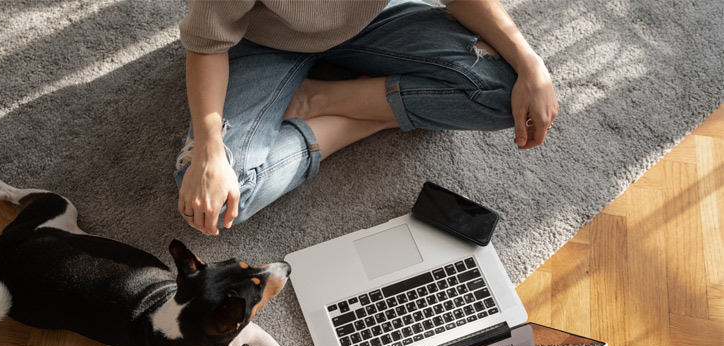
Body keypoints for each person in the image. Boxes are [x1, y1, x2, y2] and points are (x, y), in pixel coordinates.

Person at [174, 0, 558, 236]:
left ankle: (319, 99)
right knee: (215, 200)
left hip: (371, 21)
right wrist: (209, 149)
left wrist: (531, 64)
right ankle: (371, 116)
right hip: (263, 42)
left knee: (508, 92)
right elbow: (207, 44)